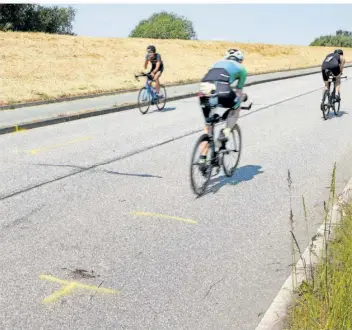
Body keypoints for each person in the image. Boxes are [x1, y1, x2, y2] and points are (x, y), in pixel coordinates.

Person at [197, 48, 248, 166]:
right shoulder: (242, 69)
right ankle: (225, 133)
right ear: (240, 60)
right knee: (236, 107)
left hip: (204, 88)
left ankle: (202, 159)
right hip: (222, 89)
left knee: (208, 126)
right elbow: (239, 91)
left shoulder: (215, 63)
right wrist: (243, 97)